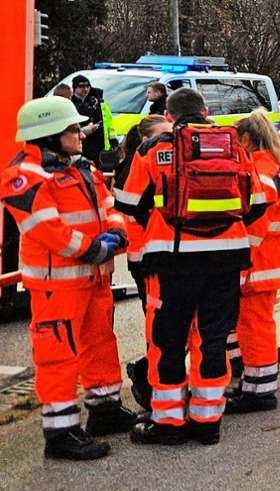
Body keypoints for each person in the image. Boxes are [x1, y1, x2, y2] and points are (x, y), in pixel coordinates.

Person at [114, 88, 267, 445]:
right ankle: (207, 420)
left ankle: (168, 423)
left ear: (169, 117)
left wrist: (161, 214)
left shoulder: (154, 149)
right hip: (227, 258)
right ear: (206, 111)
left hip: (173, 260)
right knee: (212, 339)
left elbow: (126, 201)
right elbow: (256, 205)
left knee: (167, 340)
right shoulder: (234, 147)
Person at [0, 97, 136, 460]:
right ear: (49, 135)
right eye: (73, 129)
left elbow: (109, 206)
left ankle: (104, 409)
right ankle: (60, 434)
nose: (80, 134)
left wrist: (117, 233)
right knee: (57, 357)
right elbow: (47, 230)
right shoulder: (23, 176)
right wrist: (95, 248)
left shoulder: (80, 168)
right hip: (56, 285)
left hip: (91, 277)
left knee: (100, 342)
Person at [225, 109, 280, 413]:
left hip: (260, 258)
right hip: (273, 255)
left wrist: (241, 255)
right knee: (257, 321)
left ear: (246, 139)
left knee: (255, 323)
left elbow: (257, 216)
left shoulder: (261, 167)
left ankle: (259, 390)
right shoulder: (277, 163)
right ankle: (258, 385)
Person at [113, 115, 170, 412]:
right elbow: (129, 205)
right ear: (146, 137)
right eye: (163, 133)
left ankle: (152, 377)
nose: (168, 138)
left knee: (168, 323)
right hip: (144, 257)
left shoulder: (155, 161)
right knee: (159, 324)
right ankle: (149, 381)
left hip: (161, 253)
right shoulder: (134, 165)